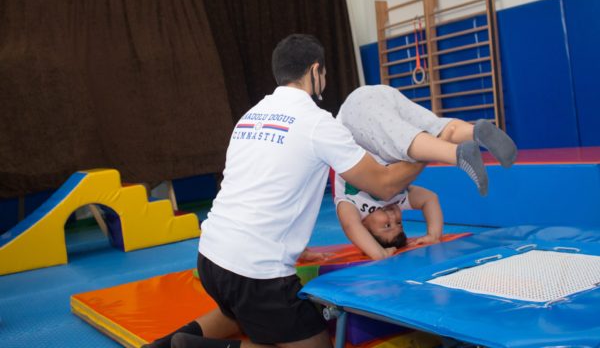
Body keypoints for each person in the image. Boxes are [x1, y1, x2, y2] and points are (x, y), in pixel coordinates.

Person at [144, 34, 427, 348]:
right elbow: (384, 184)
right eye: (324, 72)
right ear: (315, 71)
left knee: (235, 314)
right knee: (317, 347)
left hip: (211, 256)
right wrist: (426, 149)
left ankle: (159, 347)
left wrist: (297, 248)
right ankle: (194, 346)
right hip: (254, 272)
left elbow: (259, 188)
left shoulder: (251, 115)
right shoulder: (317, 122)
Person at [336, 84, 518, 196]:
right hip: (378, 93)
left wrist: (440, 151)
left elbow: (388, 185)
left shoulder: (353, 193)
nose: (393, 220)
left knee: (402, 139)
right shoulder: (398, 200)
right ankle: (475, 131)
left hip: (353, 113)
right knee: (435, 127)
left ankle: (458, 154)